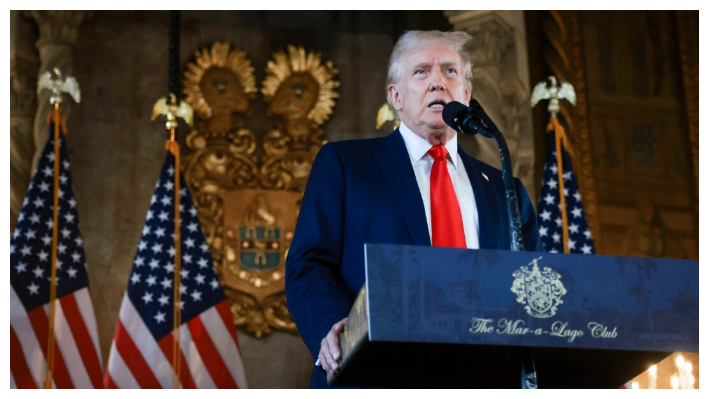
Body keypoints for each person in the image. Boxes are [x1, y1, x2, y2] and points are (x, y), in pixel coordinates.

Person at [285, 30, 543, 389]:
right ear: (396, 96)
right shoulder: (347, 165)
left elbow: (533, 282)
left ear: (466, 96)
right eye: (421, 71)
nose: (438, 81)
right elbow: (309, 263)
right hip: (375, 373)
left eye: (450, 71)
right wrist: (334, 328)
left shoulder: (504, 189)